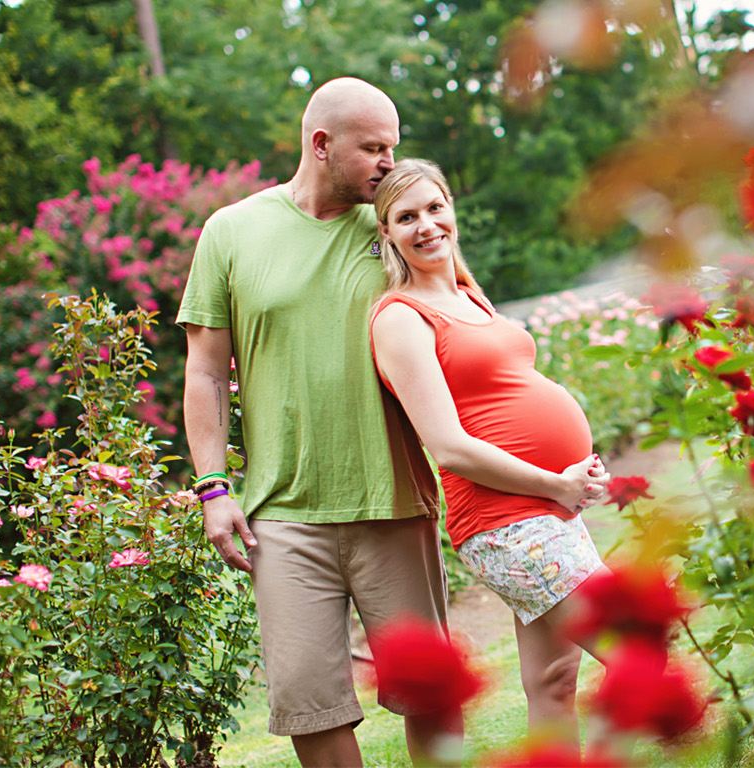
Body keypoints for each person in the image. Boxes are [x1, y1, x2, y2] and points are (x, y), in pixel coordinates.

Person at [177, 79, 461, 767]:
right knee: (310, 701)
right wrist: (213, 488)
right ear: (321, 144)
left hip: (393, 499)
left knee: (430, 694)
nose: (389, 163)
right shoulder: (232, 231)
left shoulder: (395, 225)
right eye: (374, 148)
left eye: (393, 146)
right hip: (283, 515)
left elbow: (461, 321)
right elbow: (207, 371)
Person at [368, 158, 613, 744]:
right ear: (387, 234)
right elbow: (449, 446)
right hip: (509, 521)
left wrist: (573, 475)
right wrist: (556, 483)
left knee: (554, 680)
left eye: (434, 207)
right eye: (407, 217)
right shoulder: (400, 317)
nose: (426, 225)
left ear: (451, 209)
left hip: (546, 510)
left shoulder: (468, 296)